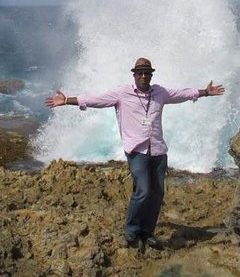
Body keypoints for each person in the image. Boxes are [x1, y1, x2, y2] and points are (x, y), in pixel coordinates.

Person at [45, 57, 225, 249]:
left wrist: (205, 92)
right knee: (143, 191)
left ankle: (147, 232)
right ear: (134, 75)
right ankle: (131, 230)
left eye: (147, 73)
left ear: (151, 75)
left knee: (157, 193)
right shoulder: (122, 94)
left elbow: (182, 94)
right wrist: (66, 100)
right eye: (140, 73)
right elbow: (94, 99)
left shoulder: (160, 92)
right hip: (136, 150)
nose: (143, 76)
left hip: (158, 150)